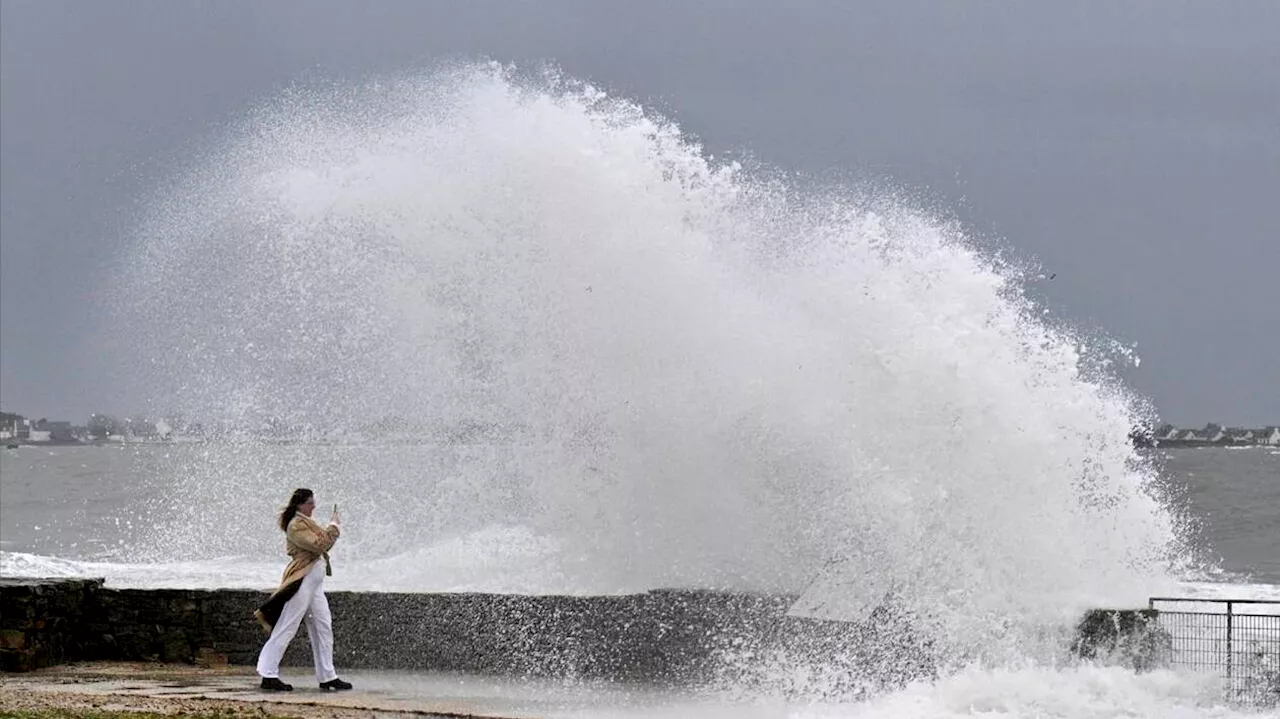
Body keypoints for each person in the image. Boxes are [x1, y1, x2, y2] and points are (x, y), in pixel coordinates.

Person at [253, 488, 352, 692]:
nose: (313, 506)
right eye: (310, 503)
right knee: (287, 626)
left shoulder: (305, 522)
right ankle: (268, 673)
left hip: (314, 585)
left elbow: (321, 543)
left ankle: (327, 676)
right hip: (302, 581)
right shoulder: (296, 525)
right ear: (299, 504)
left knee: (323, 627)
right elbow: (320, 544)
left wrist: (330, 528)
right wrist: (333, 526)